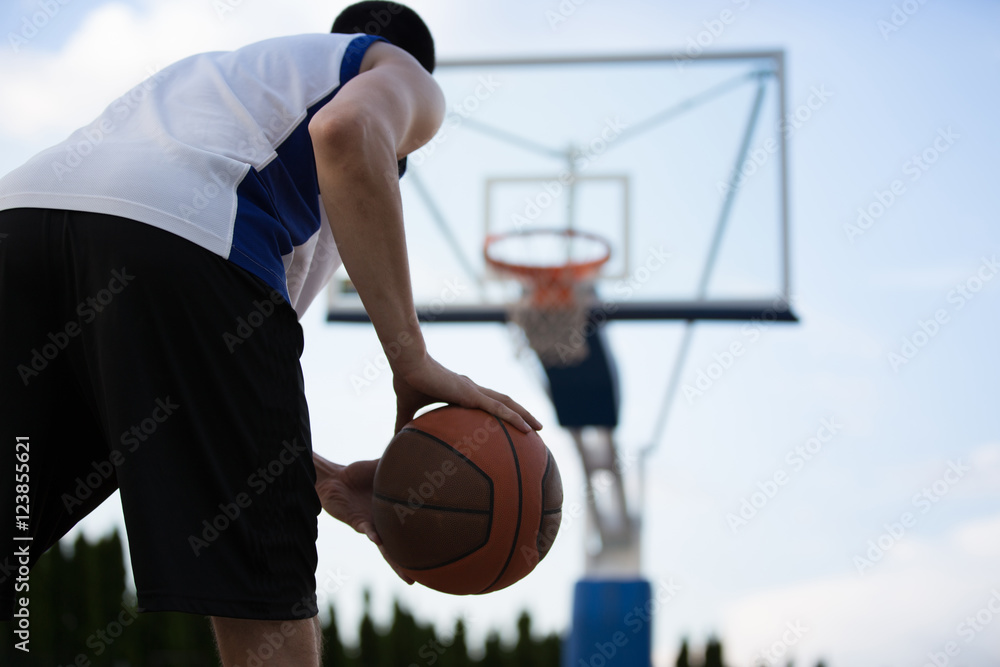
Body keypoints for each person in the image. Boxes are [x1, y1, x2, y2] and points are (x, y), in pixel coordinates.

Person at [0, 3, 541, 665]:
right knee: (261, 594)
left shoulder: (229, 84)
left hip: (18, 227)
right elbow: (346, 130)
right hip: (186, 235)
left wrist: (315, 474)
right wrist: (411, 358)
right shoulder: (400, 73)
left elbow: (206, 388)